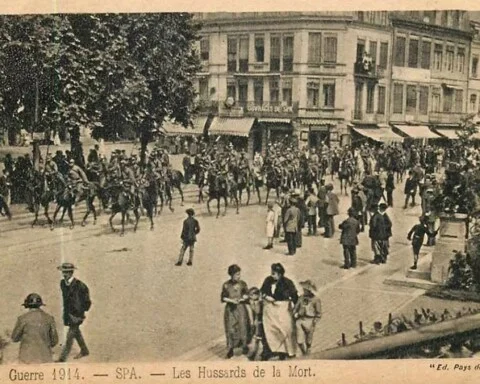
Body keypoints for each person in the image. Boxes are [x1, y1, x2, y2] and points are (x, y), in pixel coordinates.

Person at [260, 263, 298, 360]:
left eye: (274, 273)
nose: (272, 275)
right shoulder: (268, 280)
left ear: (280, 274)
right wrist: (266, 297)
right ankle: (270, 350)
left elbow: (294, 296)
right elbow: (262, 291)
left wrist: (296, 310)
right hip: (270, 310)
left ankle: (286, 351)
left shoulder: (287, 283)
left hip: (282, 310)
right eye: (272, 273)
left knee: (285, 330)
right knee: (270, 330)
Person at [57, 263, 91, 362]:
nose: (64, 274)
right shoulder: (62, 283)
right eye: (63, 272)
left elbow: (87, 302)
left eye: (66, 272)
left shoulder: (81, 286)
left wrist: (80, 312)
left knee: (70, 336)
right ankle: (84, 350)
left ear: (71, 272)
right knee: (76, 333)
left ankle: (62, 358)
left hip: (77, 315)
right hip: (68, 314)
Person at [11, 293, 59, 364]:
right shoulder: (49, 318)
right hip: (45, 359)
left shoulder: (22, 319)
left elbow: (14, 338)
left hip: (26, 359)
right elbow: (54, 341)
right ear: (40, 305)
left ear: (27, 305)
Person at [221, 265, 251, 359]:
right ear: (232, 275)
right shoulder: (226, 285)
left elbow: (247, 294)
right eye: (237, 274)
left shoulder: (243, 284)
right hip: (230, 309)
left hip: (241, 308)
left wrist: (244, 298)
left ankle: (244, 346)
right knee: (230, 328)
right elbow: (223, 297)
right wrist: (231, 301)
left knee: (243, 327)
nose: (239, 276)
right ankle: (230, 349)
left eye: (239, 274)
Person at [293, 280, 322, 355]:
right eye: (304, 289)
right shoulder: (301, 298)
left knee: (308, 341)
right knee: (299, 341)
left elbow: (318, 313)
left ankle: (308, 353)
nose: (304, 290)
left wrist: (315, 321)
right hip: (300, 320)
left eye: (305, 289)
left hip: (310, 320)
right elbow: (296, 308)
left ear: (309, 290)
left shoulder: (316, 299)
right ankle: (304, 353)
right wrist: (295, 314)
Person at [246, 287, 264, 361]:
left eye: (252, 295)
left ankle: (254, 354)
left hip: (260, 323)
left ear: (256, 295)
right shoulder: (252, 301)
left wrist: (254, 304)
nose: (250, 297)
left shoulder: (259, 303)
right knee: (257, 339)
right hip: (256, 322)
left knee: (259, 339)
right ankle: (254, 354)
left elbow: (257, 312)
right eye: (250, 295)